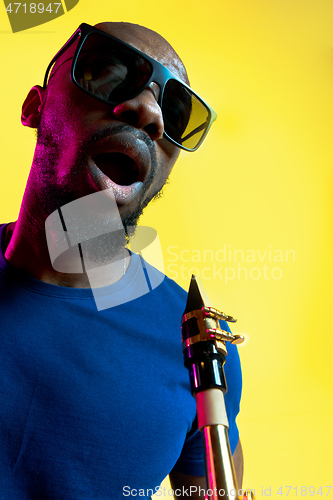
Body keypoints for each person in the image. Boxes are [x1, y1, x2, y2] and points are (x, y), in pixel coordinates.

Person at [0, 22, 243, 499]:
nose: (150, 112)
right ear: (35, 106)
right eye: (108, 71)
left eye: (176, 113)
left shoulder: (200, 347)